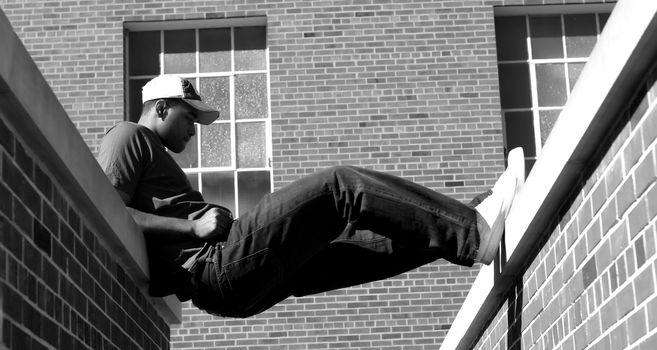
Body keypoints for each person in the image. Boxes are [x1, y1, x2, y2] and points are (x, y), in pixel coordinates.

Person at [97, 75, 525, 318]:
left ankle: (478, 216)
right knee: (339, 187)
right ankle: (474, 233)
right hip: (214, 265)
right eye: (190, 117)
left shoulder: (154, 152)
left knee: (351, 244)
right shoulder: (128, 136)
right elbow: (107, 209)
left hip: (229, 283)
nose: (194, 129)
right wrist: (192, 225)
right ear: (161, 108)